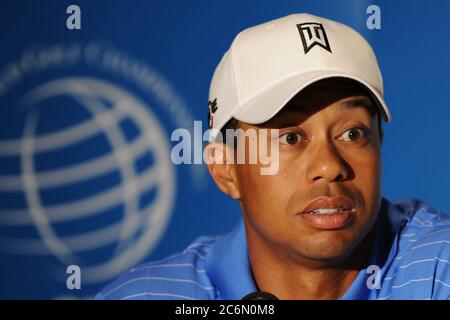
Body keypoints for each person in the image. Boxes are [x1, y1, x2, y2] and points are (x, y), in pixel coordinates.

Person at [96, 13, 450, 300]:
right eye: (291, 137)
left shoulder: (439, 269)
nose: (329, 166)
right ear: (225, 170)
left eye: (353, 134)